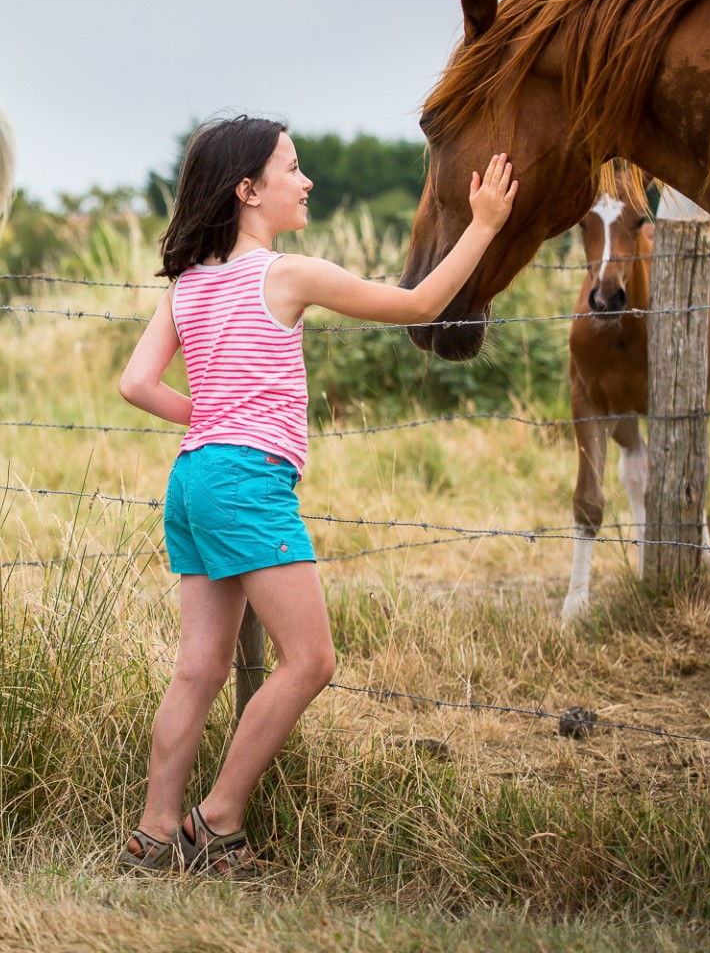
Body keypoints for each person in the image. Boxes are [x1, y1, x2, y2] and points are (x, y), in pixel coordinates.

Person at [116, 116, 516, 874]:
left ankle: (153, 831)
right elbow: (419, 305)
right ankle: (218, 820)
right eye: (292, 169)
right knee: (312, 659)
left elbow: (136, 384)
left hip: (193, 477)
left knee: (196, 670)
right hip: (246, 482)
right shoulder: (285, 273)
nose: (306, 182)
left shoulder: (188, 284)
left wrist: (204, 416)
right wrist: (485, 226)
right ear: (248, 191)